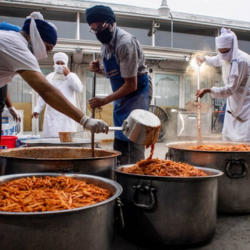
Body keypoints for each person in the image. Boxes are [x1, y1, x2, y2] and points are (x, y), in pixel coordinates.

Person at [0, 12, 108, 136]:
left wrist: (10, 107)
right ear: (37, 37)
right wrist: (85, 120)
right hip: (53, 114)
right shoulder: (18, 46)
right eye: (47, 48)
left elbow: (78, 88)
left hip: (65, 116)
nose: (45, 54)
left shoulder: (13, 41)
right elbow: (46, 92)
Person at [85, 5, 152, 165]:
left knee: (135, 133)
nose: (98, 32)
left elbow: (131, 84)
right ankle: (120, 167)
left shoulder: (125, 43)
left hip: (137, 92)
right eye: (94, 29)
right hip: (121, 95)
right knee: (121, 132)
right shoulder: (105, 45)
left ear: (112, 23)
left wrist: (104, 100)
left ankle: (137, 170)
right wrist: (99, 70)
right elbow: (116, 73)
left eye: (101, 27)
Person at [196, 28, 250, 141]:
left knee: (244, 144)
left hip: (246, 106)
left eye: (225, 52)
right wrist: (204, 58)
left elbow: (231, 89)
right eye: (220, 51)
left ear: (232, 49)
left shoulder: (242, 61)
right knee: (227, 141)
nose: (222, 55)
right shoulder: (224, 55)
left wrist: (208, 90)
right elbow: (216, 59)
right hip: (232, 106)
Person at [32, 52, 83, 137]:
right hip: (52, 113)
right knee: (51, 139)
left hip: (67, 113)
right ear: (54, 63)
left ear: (66, 64)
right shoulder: (49, 77)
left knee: (67, 139)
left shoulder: (72, 76)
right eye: (57, 63)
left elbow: (79, 89)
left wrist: (68, 75)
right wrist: (37, 109)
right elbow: (43, 93)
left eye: (62, 63)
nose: (60, 65)